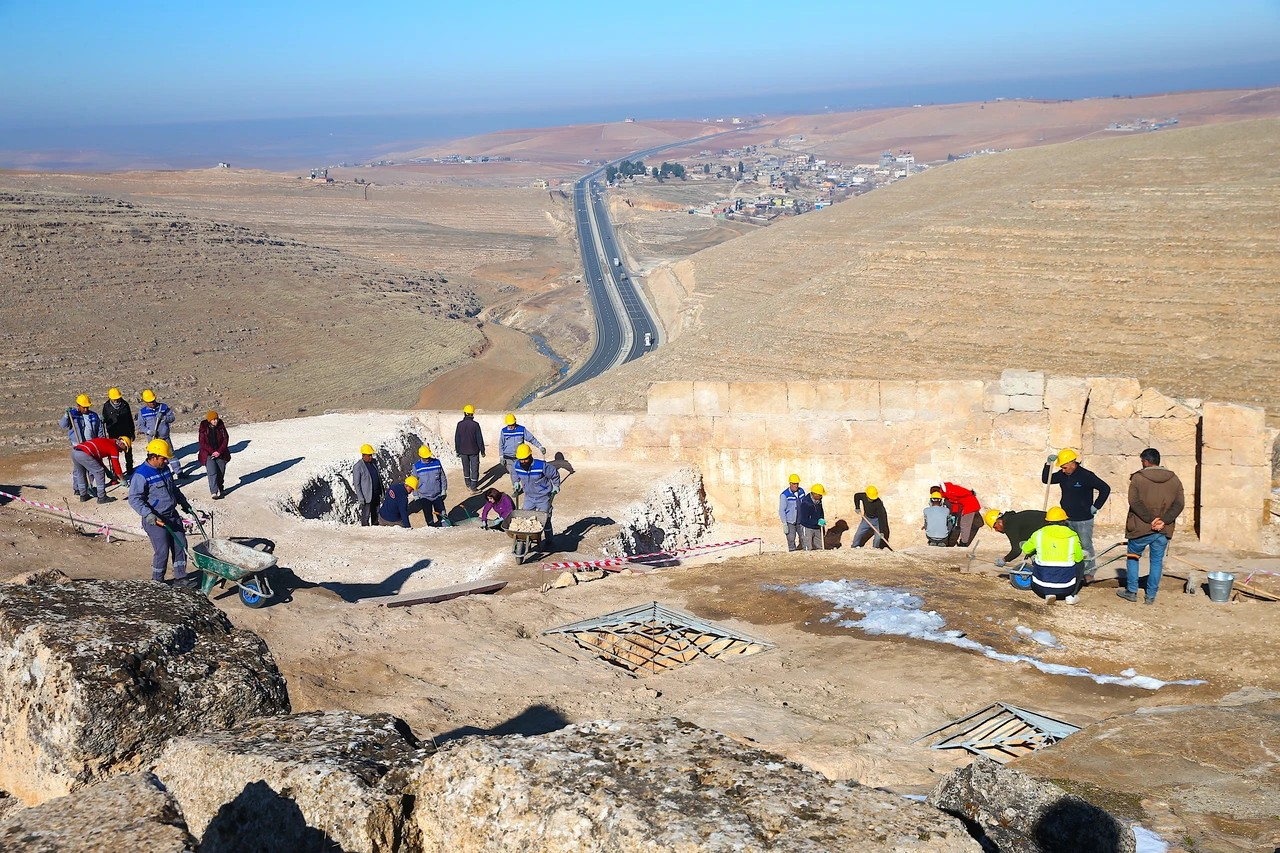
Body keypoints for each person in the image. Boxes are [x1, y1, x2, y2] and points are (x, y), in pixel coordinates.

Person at [128, 438, 197, 588]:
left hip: (172, 515)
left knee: (181, 545)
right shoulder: (141, 474)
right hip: (156, 520)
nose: (166, 461)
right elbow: (134, 499)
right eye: (163, 458)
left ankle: (180, 578)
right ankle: (157, 582)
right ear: (153, 457)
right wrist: (148, 514)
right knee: (162, 551)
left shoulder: (165, 469)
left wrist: (183, 502)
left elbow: (173, 489)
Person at [1120, 447, 1185, 605]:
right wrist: (1163, 520)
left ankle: (1132, 591)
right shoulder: (1174, 479)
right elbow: (1179, 504)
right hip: (1163, 529)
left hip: (1140, 527)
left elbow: (1134, 502)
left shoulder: (1138, 478)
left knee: (1133, 557)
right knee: (1156, 561)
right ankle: (1150, 596)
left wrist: (1151, 520)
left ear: (1146, 461)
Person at [1041, 449, 1111, 581]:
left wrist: (1096, 506)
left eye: (1064, 467)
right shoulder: (1063, 475)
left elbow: (1105, 488)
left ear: (1072, 463)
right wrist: (1048, 464)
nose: (1063, 470)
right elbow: (1046, 479)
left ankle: (1089, 572)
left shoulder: (1086, 475)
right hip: (1066, 519)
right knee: (1069, 545)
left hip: (1083, 519)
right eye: (1061, 467)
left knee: (1085, 546)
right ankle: (1072, 570)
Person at [1019, 506, 1085, 604]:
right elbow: (1078, 558)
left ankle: (1049, 593)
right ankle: (1071, 596)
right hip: (1066, 587)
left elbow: (1026, 549)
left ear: (1048, 521)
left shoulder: (1038, 534)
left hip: (1040, 587)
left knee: (1036, 558)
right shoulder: (1073, 536)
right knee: (1081, 564)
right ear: (1064, 521)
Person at [59, 394, 105, 497]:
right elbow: (62, 425)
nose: (86, 409)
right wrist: (66, 415)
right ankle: (77, 488)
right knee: (78, 469)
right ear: (78, 406)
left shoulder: (93, 416)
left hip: (91, 446)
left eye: (87, 407)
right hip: (78, 446)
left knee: (92, 468)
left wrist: (101, 443)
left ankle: (89, 486)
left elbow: (99, 431)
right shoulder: (73, 415)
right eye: (84, 407)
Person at [511, 442, 560, 538]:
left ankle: (549, 540)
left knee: (545, 519)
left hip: (543, 497)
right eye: (521, 460)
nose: (523, 462)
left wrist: (556, 485)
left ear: (530, 456)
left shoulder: (541, 466)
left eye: (525, 459)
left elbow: (554, 474)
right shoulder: (517, 465)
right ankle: (526, 539)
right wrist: (516, 482)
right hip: (529, 497)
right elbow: (514, 473)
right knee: (525, 518)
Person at [71, 436, 130, 504]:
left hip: (75, 452)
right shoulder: (114, 447)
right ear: (122, 443)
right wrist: (122, 479)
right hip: (84, 453)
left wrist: (107, 472)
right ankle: (102, 497)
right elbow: (116, 465)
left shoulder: (107, 442)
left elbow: (98, 460)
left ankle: (83, 495)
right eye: (125, 448)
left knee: (81, 473)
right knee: (99, 472)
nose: (122, 451)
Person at [136, 390, 180, 479]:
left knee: (170, 455)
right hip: (153, 440)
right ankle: (159, 474)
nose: (152, 403)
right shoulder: (143, 412)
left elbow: (172, 418)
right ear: (145, 402)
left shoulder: (163, 407)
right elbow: (140, 426)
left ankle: (179, 472)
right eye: (150, 402)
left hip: (164, 437)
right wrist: (148, 431)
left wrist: (164, 417)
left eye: (153, 400)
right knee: (155, 457)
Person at [983, 507, 1048, 566]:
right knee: (1026, 543)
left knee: (1024, 545)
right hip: (1050, 523)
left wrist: (1004, 560)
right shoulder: (1014, 519)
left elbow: (1016, 550)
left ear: (998, 521)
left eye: (995, 527)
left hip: (1048, 528)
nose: (996, 530)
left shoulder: (1009, 525)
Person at [499, 415, 545, 488]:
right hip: (508, 457)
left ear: (515, 422)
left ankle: (528, 486)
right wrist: (501, 456)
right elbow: (501, 444)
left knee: (523, 472)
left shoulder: (521, 429)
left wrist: (540, 446)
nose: (511, 427)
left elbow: (531, 439)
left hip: (520, 457)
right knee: (513, 473)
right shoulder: (504, 431)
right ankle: (516, 487)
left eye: (512, 424)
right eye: (509, 425)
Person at [101, 387, 136, 478]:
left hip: (125, 432)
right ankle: (115, 472)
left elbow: (130, 419)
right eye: (114, 398)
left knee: (128, 452)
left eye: (117, 398)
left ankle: (130, 469)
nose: (116, 400)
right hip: (113, 433)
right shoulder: (106, 406)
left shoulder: (125, 404)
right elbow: (105, 418)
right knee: (113, 453)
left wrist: (132, 432)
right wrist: (103, 420)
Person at [412, 446, 449, 527]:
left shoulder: (437, 463)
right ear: (421, 456)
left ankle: (445, 527)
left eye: (428, 457)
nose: (427, 459)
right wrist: (416, 496)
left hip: (437, 495)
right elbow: (414, 482)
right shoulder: (417, 467)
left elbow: (442, 477)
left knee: (442, 515)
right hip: (424, 497)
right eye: (425, 457)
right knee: (428, 516)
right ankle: (432, 527)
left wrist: (443, 490)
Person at [197, 411, 230, 500]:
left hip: (221, 453)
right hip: (208, 454)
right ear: (209, 420)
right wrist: (212, 452)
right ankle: (214, 491)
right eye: (213, 420)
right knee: (212, 472)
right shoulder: (203, 428)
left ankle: (220, 488)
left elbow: (225, 439)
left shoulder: (221, 427)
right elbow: (202, 442)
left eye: (216, 419)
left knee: (221, 472)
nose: (215, 421)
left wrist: (219, 451)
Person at [937, 482, 982, 547]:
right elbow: (956, 501)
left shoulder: (949, 491)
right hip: (968, 505)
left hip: (970, 506)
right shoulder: (948, 492)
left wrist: (970, 492)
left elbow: (961, 492)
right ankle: (963, 541)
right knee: (963, 524)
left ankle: (964, 543)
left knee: (965, 524)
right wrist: (954, 513)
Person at [454, 404, 486, 491]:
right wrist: (482, 450)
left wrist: (457, 450)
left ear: (464, 413)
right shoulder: (475, 425)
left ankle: (468, 484)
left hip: (462, 451)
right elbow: (479, 439)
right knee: (474, 468)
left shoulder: (459, 424)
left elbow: (457, 438)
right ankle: (473, 487)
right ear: (472, 414)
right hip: (474, 451)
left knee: (466, 468)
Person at [352, 443, 382, 527]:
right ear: (363, 455)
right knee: (366, 515)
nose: (371, 457)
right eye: (369, 455)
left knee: (375, 513)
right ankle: (365, 530)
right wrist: (361, 498)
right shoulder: (358, 466)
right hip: (366, 496)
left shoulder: (373, 463)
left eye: (371, 455)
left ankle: (375, 527)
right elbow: (357, 484)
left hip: (375, 493)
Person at [778, 474, 806, 552]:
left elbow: (805, 504)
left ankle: (805, 551)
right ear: (790, 483)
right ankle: (792, 552)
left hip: (801, 520)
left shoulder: (801, 491)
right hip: (790, 521)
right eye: (794, 484)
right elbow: (782, 510)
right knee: (791, 539)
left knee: (804, 537)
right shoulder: (785, 495)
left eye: (797, 483)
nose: (795, 485)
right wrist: (784, 523)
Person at [796, 483, 826, 551]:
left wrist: (821, 518)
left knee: (820, 547)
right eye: (820, 495)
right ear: (815, 494)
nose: (821, 496)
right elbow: (804, 519)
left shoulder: (818, 500)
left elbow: (821, 511)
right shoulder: (806, 503)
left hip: (817, 527)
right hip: (807, 527)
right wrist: (816, 522)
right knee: (808, 547)